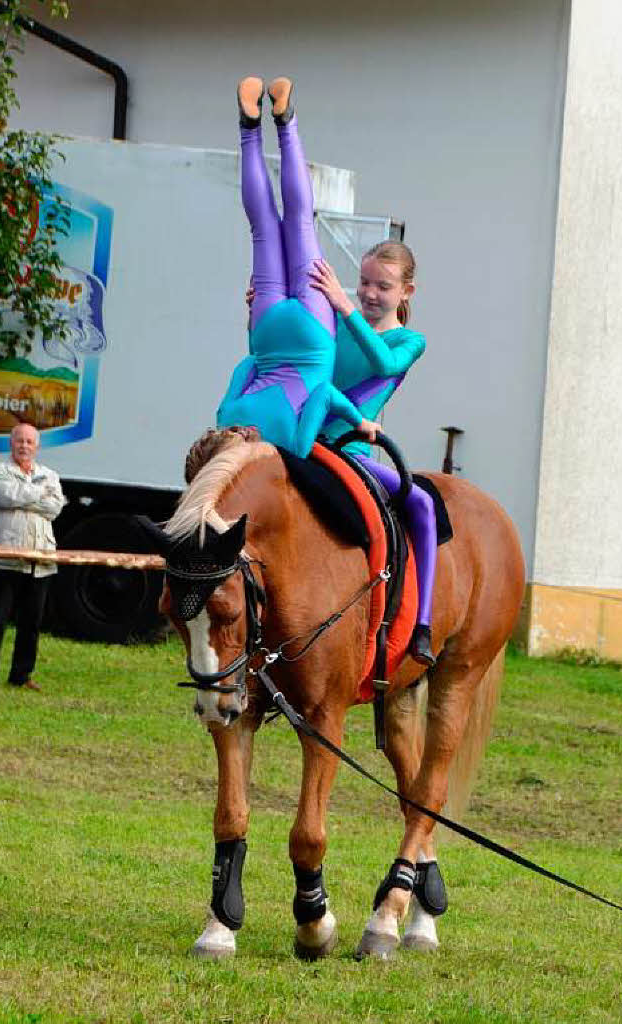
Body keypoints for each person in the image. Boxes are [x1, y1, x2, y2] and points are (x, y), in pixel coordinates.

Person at [248, 242, 436, 665]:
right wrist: (259, 314)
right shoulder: (332, 320)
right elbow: (288, 356)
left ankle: (421, 625)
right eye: (364, 282)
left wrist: (341, 304)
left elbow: (385, 363)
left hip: (350, 450)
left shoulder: (410, 339)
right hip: (305, 434)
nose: (369, 293)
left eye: (383, 287)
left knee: (422, 504)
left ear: (407, 292)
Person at [217, 76, 378, 458]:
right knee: (262, 227)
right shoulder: (227, 422)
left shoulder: (290, 447)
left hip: (311, 332)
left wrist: (360, 422)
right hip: (269, 326)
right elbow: (246, 366)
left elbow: (323, 394)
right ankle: (249, 126)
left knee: (300, 220)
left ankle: (286, 119)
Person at [0, 422, 64, 691]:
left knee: (32, 622)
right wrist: (40, 493)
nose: (24, 446)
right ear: (11, 444)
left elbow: (55, 507)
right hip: (7, 555)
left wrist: (27, 496)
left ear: (37, 446)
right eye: (19, 441)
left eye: (29, 442)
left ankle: (21, 675)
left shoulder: (50, 474)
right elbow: (3, 496)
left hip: (41, 560)